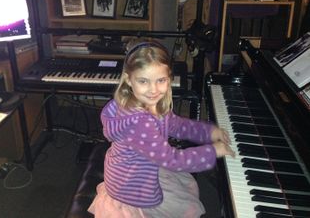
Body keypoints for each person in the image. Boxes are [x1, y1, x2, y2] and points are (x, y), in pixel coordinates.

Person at [88, 40, 235, 218]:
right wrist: (212, 152)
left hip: (138, 167)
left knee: (184, 190)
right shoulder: (138, 122)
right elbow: (172, 160)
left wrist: (209, 132)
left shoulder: (151, 103)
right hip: (131, 188)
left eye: (161, 80)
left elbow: (176, 124)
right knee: (185, 208)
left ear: (169, 78)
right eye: (143, 81)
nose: (153, 90)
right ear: (128, 80)